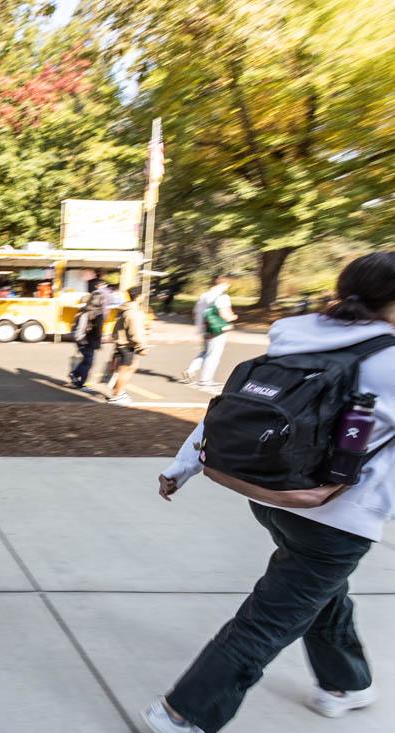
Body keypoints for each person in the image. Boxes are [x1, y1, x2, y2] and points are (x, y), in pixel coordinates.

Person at [141, 252, 395, 733]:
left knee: (319, 593)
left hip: (272, 495)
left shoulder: (296, 334)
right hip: (338, 516)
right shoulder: (389, 360)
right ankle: (183, 714)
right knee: (270, 619)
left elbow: (231, 407)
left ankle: (346, 683)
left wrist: (185, 465)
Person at [182, 273, 237, 387]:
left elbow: (195, 312)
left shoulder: (204, 296)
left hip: (204, 328)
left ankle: (191, 370)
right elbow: (225, 315)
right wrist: (233, 317)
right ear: (224, 284)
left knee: (206, 352)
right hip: (217, 329)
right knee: (213, 355)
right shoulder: (222, 297)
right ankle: (205, 380)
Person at [106, 287, 148, 405]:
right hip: (126, 345)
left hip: (121, 343)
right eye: (143, 295)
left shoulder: (125, 308)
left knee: (132, 366)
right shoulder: (133, 312)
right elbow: (136, 332)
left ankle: (119, 391)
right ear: (139, 297)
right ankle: (117, 395)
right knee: (124, 371)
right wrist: (142, 347)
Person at [69, 279, 108, 389]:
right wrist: (99, 343)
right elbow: (98, 331)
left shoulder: (84, 310)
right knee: (88, 362)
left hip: (80, 340)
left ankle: (78, 378)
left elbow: (77, 325)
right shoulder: (98, 314)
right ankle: (79, 380)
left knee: (87, 361)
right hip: (88, 341)